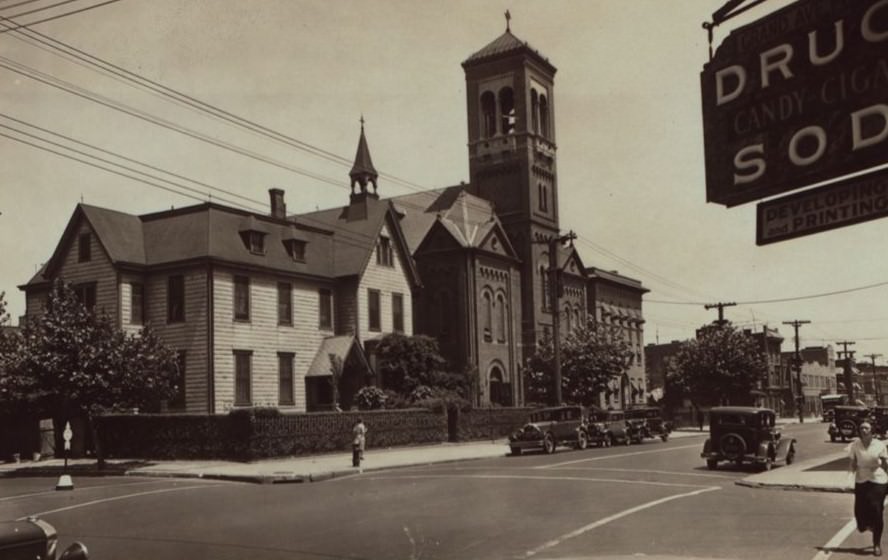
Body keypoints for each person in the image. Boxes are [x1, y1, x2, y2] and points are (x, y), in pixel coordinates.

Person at [848, 421, 888, 556]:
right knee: (859, 512)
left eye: (866, 428)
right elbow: (853, 462)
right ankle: (866, 524)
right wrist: (851, 471)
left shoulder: (879, 445)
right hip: (861, 479)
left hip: (878, 479)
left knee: (877, 510)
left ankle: (876, 544)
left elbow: (885, 464)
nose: (863, 430)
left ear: (872, 431)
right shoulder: (855, 445)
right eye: (861, 428)